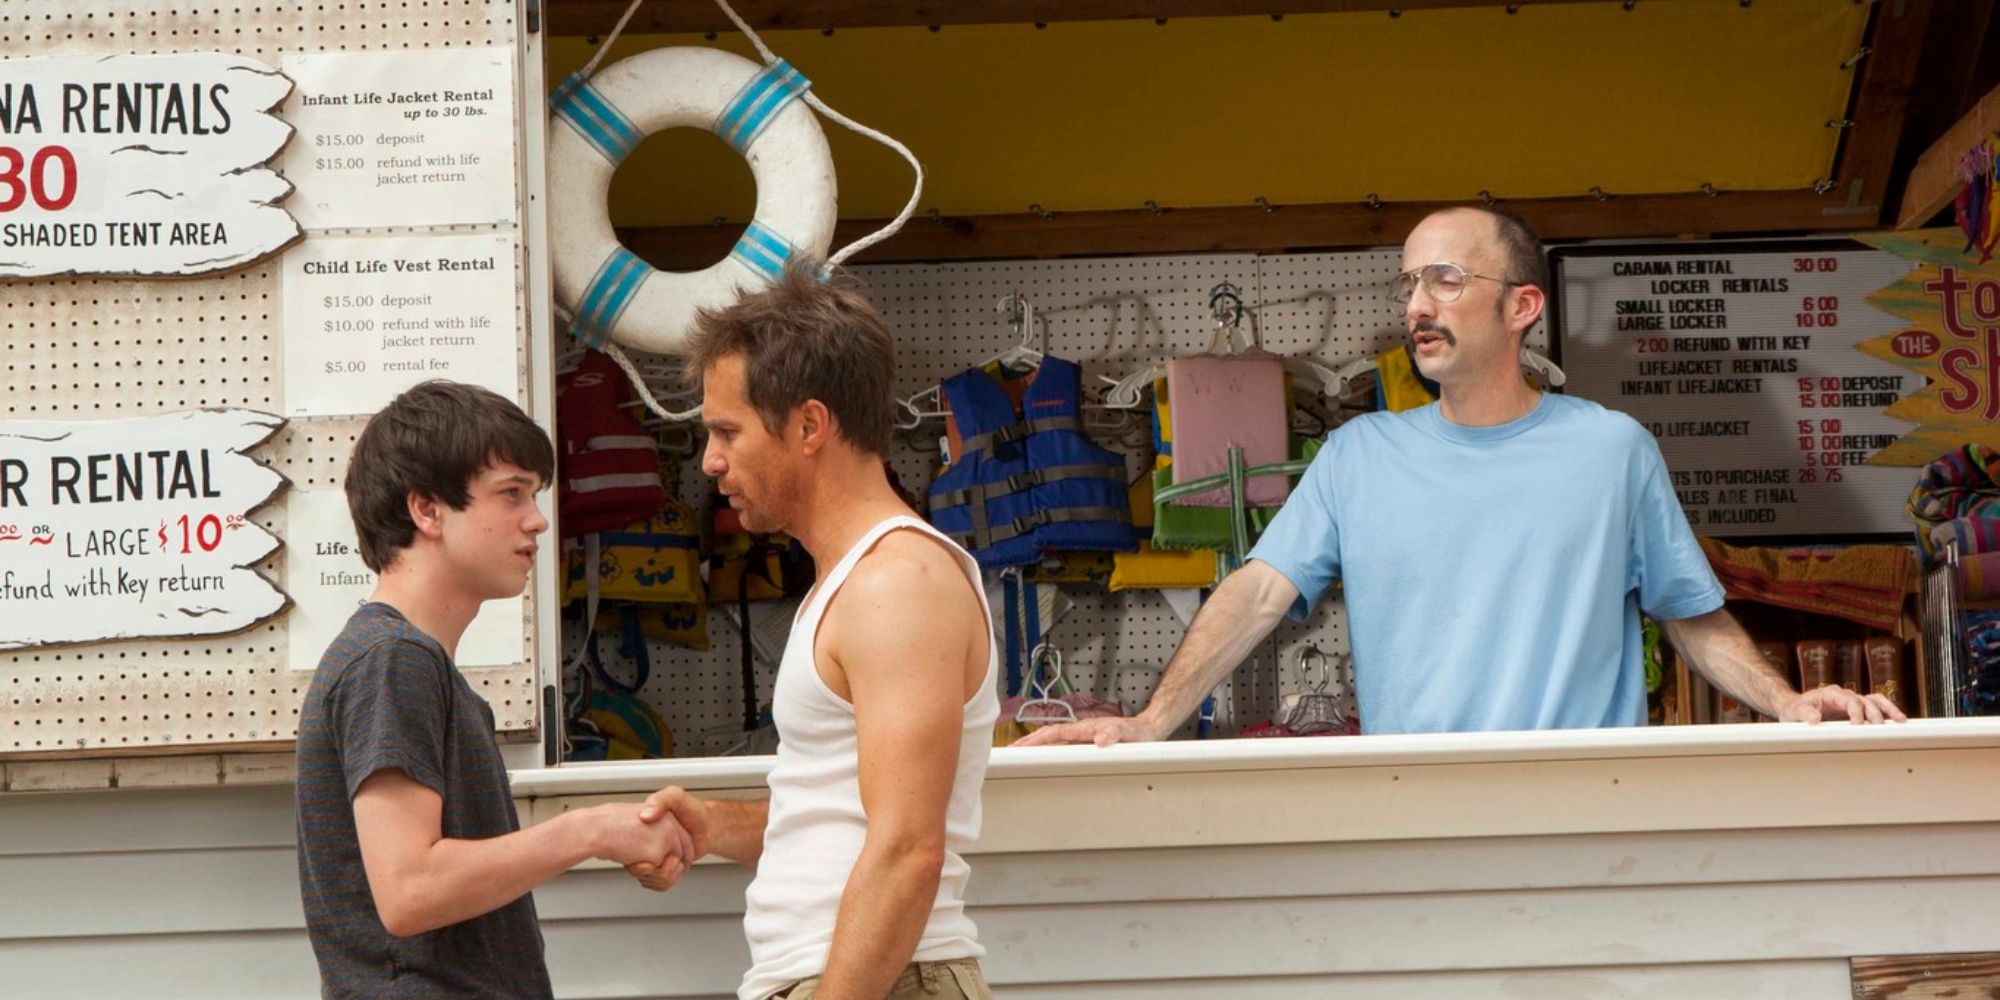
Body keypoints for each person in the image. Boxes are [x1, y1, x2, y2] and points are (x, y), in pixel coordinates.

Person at [1021, 206, 1904, 746]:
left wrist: (1786, 702)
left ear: (1522, 305)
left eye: (1445, 280)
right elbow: (1254, 594)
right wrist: (1148, 721)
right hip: (1417, 804)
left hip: (1592, 808)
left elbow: (1690, 616)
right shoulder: (1358, 455)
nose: (1415, 306)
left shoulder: (1613, 449)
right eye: (1410, 283)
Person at [629, 265, 1001, 1000]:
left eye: (726, 431)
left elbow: (907, 851)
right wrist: (714, 825)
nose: (710, 462)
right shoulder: (858, 582)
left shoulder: (897, 585)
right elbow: (847, 819)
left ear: (808, 425)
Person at [295, 380, 701, 998]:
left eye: (533, 494)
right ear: (426, 510)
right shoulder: (392, 660)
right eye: (511, 494)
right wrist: (588, 831)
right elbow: (410, 890)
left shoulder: (411, 662)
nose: (537, 519)